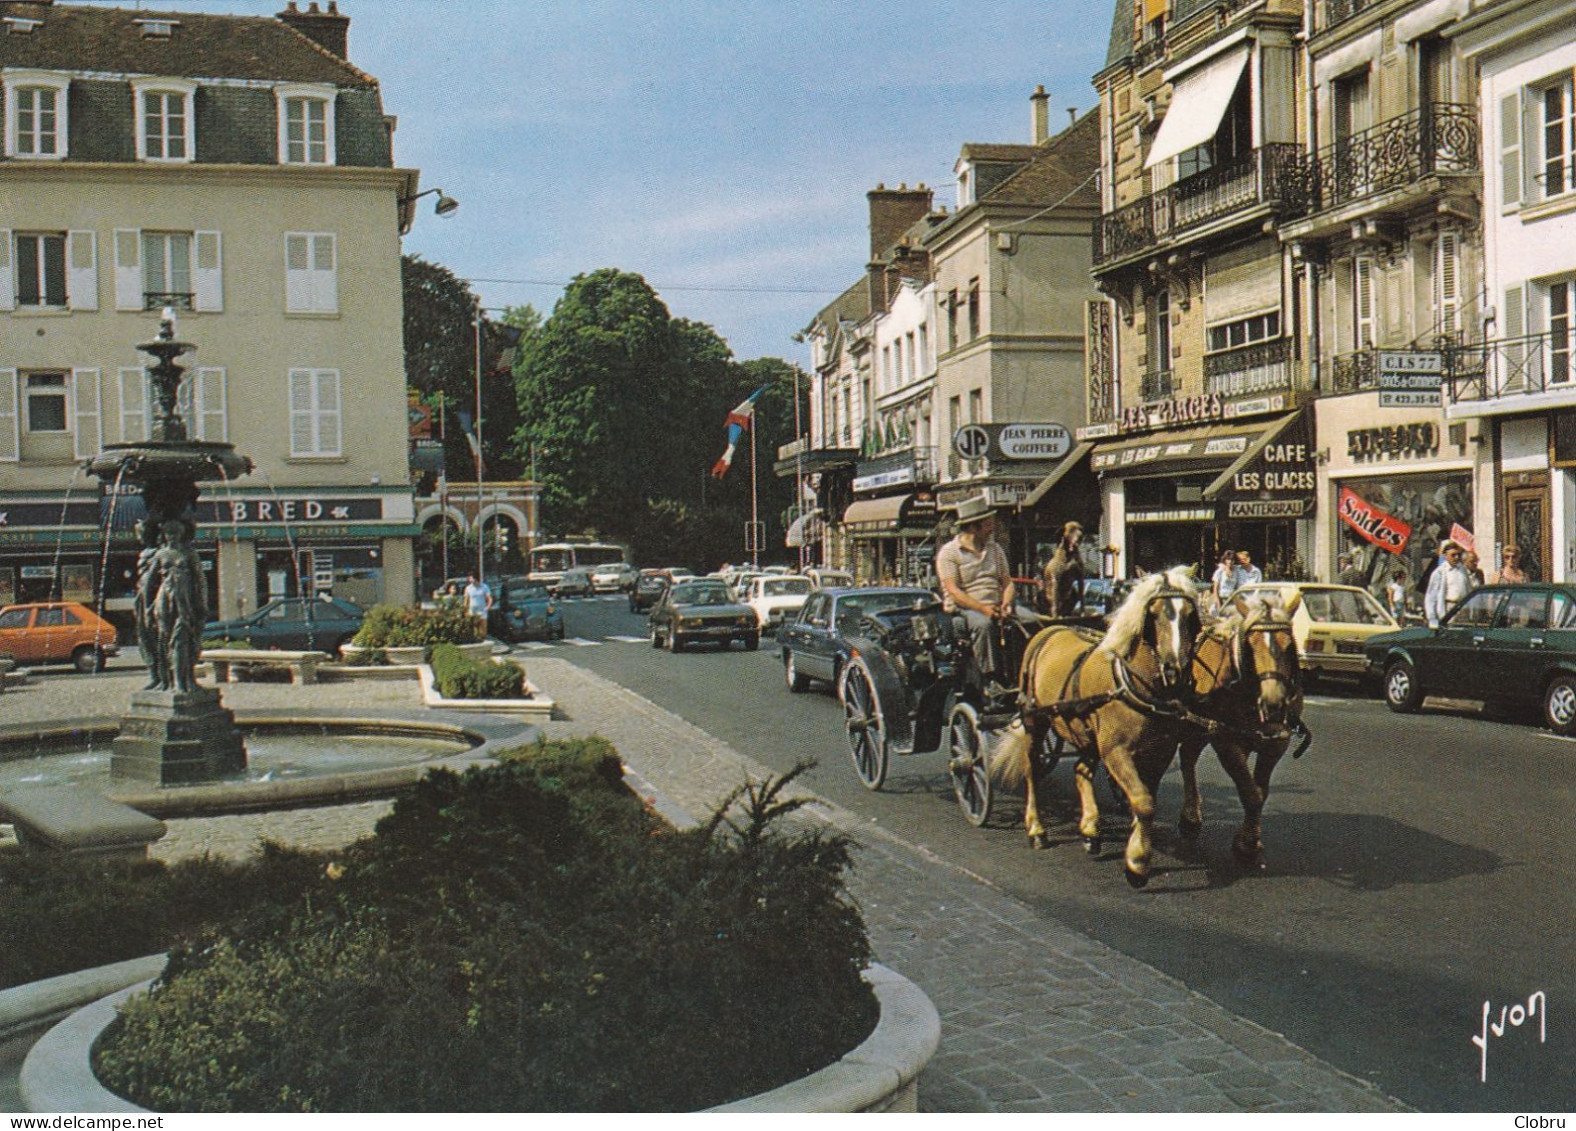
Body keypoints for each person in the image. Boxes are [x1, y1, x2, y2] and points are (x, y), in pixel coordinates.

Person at [936, 494, 1016, 686]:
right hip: (965, 611)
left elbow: (1007, 582)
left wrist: (1007, 602)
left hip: (996, 606)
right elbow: (953, 591)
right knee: (984, 625)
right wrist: (983, 609)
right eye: (987, 525)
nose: (991, 529)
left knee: (1030, 621)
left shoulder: (995, 550)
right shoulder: (949, 553)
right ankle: (991, 681)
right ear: (973, 527)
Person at [1041, 520, 1086, 618]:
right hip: (1050, 600)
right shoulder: (1057, 561)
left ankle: (1076, 611)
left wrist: (1082, 608)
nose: (1078, 533)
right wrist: (1054, 611)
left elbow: (1081, 582)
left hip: (1068, 600)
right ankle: (1055, 613)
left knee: (1073, 592)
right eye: (1072, 531)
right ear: (1064, 535)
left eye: (1079, 530)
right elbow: (1055, 585)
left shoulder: (1077, 559)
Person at [1424, 540, 1474, 627]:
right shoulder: (1440, 572)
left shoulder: (1463, 569)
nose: (1456, 557)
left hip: (1464, 608)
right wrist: (1432, 618)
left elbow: (1469, 588)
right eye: (1453, 555)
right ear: (1445, 556)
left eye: (1458, 554)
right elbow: (1431, 596)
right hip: (1450, 608)